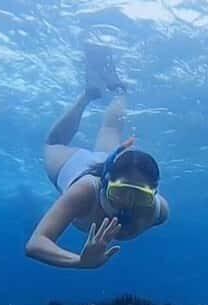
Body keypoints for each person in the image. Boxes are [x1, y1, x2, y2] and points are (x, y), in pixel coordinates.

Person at [26, 45, 170, 269]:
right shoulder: (85, 190)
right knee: (53, 143)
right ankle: (87, 95)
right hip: (76, 166)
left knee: (111, 130)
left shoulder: (158, 212)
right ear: (104, 184)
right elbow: (36, 243)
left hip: (109, 162)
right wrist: (80, 262)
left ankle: (120, 90)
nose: (129, 206)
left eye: (140, 196)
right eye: (120, 192)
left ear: (153, 194)